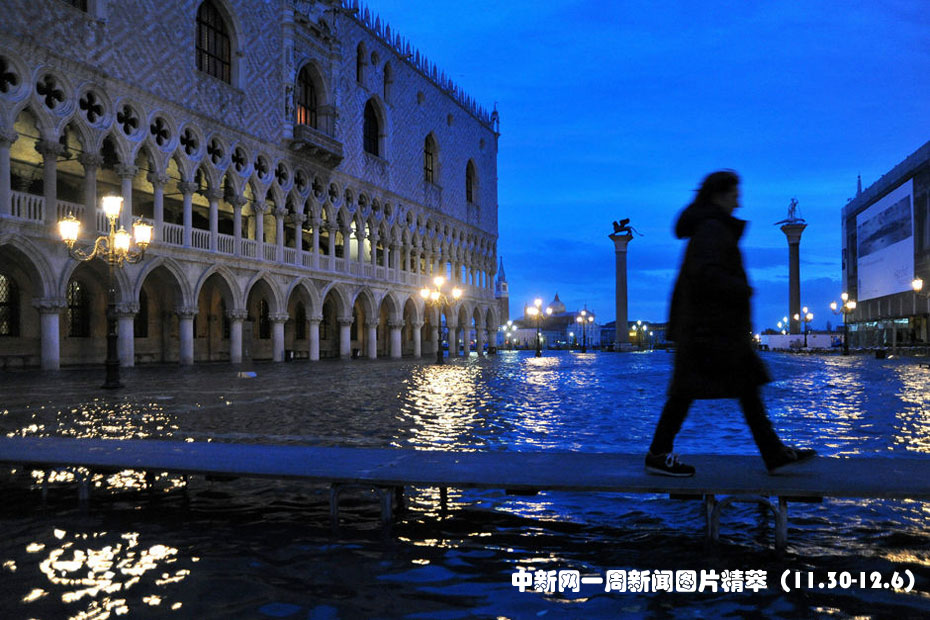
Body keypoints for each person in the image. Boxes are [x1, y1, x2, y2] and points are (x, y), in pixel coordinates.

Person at [645, 170, 816, 477]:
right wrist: (741, 289)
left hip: (707, 327)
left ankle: (773, 453)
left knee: (736, 388)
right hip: (709, 328)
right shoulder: (712, 228)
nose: (739, 202)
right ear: (719, 195)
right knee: (694, 391)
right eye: (735, 195)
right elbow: (706, 275)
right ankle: (658, 454)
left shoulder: (710, 226)